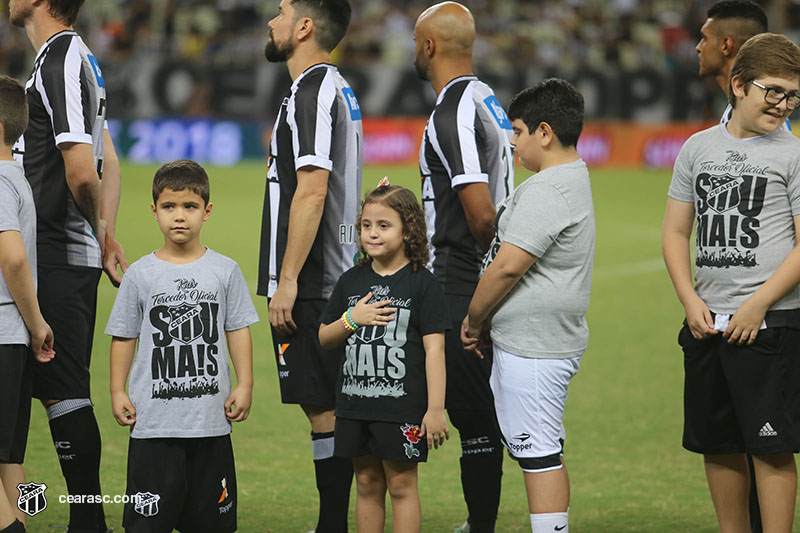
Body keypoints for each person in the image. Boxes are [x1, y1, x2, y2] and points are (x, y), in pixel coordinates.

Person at [663, 33, 800, 533]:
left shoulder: (793, 154)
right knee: (717, 443)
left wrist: (759, 303)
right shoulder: (697, 147)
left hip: (772, 326)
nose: (783, 105)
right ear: (739, 85)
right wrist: (689, 298)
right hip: (707, 324)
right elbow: (677, 230)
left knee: (772, 446)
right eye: (774, 92)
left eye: (792, 95)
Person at [10, 0, 127, 530]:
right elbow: (108, 152)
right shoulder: (66, 57)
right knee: (32, 395)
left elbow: (84, 170)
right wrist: (105, 233)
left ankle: (87, 519)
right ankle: (30, 512)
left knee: (61, 390)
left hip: (52, 250)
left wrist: (99, 234)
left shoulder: (59, 58)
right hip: (55, 250)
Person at [462, 78, 595, 533]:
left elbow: (506, 267)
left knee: (538, 454)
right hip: (536, 342)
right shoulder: (566, 178)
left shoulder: (548, 190)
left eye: (517, 131)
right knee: (540, 449)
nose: (513, 141)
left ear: (544, 132)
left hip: (534, 348)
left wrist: (474, 319)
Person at [106, 160, 258, 533]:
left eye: (190, 207)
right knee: (147, 525)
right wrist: (116, 390)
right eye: (169, 207)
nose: (179, 217)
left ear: (206, 212)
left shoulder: (225, 270)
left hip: (210, 424)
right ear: (154, 210)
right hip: (153, 426)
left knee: (210, 524)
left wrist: (245, 383)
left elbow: (237, 328)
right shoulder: (140, 274)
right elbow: (124, 335)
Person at [256, 0, 361, 530]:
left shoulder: (313, 89)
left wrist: (288, 280)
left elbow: (313, 190)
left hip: (314, 278)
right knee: (327, 404)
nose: (270, 22)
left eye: (280, 12)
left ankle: (333, 523)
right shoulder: (332, 87)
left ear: (304, 27)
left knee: (322, 405)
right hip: (329, 271)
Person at [413, 3, 514, 530]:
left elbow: (479, 215)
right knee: (476, 415)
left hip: (457, 286)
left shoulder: (451, 109)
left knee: (470, 419)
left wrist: (487, 291)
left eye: (416, 40)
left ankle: (479, 526)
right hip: (475, 282)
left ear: (429, 46)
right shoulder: (485, 98)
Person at [318, 183, 450, 533]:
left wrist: (435, 409)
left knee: (402, 487)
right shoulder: (351, 281)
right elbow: (325, 337)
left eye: (384, 225)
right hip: (354, 407)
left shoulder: (424, 284)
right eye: (366, 225)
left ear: (409, 230)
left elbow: (435, 350)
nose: (372, 234)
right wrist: (351, 320)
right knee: (365, 483)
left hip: (401, 410)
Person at [695, 3, 771, 529]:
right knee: (730, 435)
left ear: (726, 46)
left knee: (773, 440)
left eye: (703, 38)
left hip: (772, 310)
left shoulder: (776, 119)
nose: (695, 46)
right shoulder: (723, 125)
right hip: (722, 308)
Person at [0, 75, 55, 533]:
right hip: (12, 338)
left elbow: (13, 257)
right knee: (9, 453)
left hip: (3, 329)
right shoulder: (17, 178)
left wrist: (37, 321)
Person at [697, 1, 769, 125]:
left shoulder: (757, 115)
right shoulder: (741, 109)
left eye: (705, 38)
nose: (698, 47)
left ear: (726, 46)